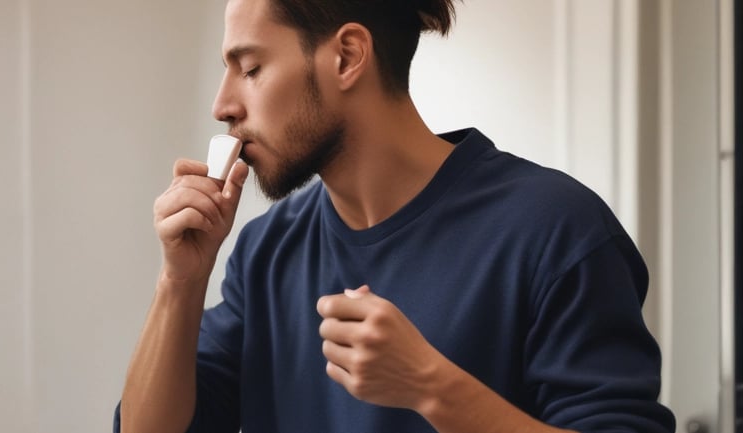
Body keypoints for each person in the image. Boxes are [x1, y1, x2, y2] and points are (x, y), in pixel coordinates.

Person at [116, 0, 676, 431]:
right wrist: (179, 281)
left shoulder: (557, 230)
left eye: (251, 68)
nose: (223, 105)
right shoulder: (266, 250)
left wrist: (433, 387)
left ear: (347, 56)